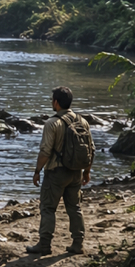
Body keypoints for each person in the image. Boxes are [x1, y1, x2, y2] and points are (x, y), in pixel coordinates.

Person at [27, 86, 92, 256]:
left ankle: (44, 245)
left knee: (48, 208)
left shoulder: (52, 123)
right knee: (75, 207)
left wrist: (37, 170)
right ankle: (78, 244)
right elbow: (90, 149)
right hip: (76, 172)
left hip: (56, 172)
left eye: (52, 100)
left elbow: (45, 151)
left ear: (55, 102)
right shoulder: (82, 121)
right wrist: (87, 172)